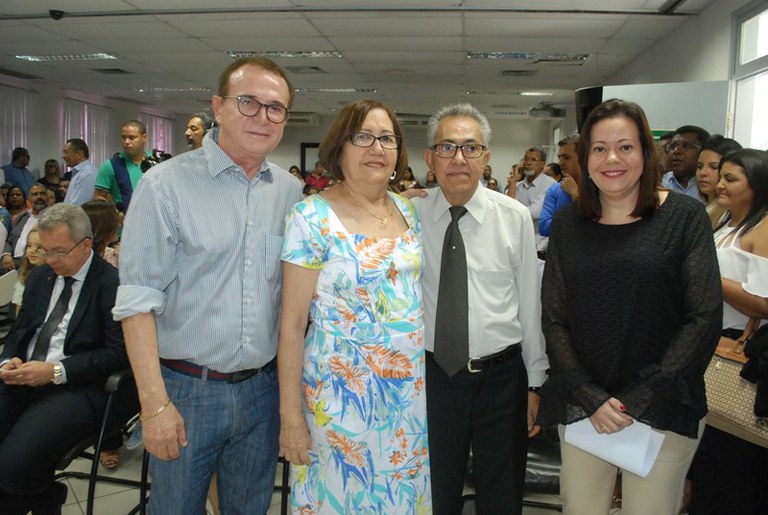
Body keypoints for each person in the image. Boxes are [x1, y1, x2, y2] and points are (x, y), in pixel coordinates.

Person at [113, 56, 303, 515]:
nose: (263, 116)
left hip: (261, 391)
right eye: (248, 102)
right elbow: (137, 302)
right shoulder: (165, 187)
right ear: (218, 107)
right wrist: (154, 404)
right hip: (186, 391)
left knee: (249, 508)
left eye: (275, 108)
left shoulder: (290, 193)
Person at [537, 99, 722, 515]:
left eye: (625, 146)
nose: (612, 159)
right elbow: (554, 317)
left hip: (664, 403)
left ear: (645, 152)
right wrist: (588, 394)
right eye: (599, 148)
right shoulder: (569, 224)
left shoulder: (685, 218)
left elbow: (704, 317)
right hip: (585, 405)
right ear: (586, 158)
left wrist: (639, 398)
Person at [279, 99, 431, 512]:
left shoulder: (406, 210)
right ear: (339, 148)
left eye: (387, 138)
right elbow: (292, 325)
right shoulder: (310, 217)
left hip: (405, 401)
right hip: (340, 399)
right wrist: (291, 418)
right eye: (362, 136)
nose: (376, 148)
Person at [412, 103, 548, 514]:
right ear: (430, 158)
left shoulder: (515, 217)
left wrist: (534, 381)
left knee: (501, 496)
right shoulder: (407, 215)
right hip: (432, 377)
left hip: (501, 379)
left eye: (470, 148)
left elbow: (529, 300)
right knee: (435, 494)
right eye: (447, 147)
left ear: (486, 158)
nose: (458, 159)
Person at [0, 203, 129, 515]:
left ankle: (45, 497)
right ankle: (43, 495)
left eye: (59, 251)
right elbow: (20, 332)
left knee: (12, 468)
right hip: (24, 378)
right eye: (46, 250)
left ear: (86, 245)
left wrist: (56, 371)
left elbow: (117, 354)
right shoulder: (41, 277)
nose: (50, 260)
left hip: (80, 387)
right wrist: (8, 362)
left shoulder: (112, 284)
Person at [687, 148, 768, 515]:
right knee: (706, 467)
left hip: (736, 352)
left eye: (731, 179)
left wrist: (708, 277)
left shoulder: (763, 227)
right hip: (709, 349)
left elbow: (762, 302)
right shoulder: (728, 223)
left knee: (734, 469)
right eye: (722, 176)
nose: (719, 184)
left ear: (758, 185)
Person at [506, 146, 557, 257]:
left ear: (543, 164)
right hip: (517, 245)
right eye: (526, 159)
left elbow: (532, 213)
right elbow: (506, 211)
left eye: (533, 160)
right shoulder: (518, 186)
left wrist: (512, 212)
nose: (528, 163)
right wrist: (513, 182)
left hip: (538, 248)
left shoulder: (550, 185)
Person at [93, 120, 151, 212]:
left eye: (132, 138)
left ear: (144, 137)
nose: (126, 142)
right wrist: (112, 212)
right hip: (124, 223)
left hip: (152, 221)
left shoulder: (156, 164)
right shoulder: (110, 165)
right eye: (123, 138)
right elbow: (98, 198)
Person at [540, 135, 584, 237]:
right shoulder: (554, 189)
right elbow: (544, 228)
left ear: (583, 157)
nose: (560, 162)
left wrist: (575, 194)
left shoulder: (598, 188)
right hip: (561, 251)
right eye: (559, 157)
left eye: (566, 157)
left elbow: (595, 226)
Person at [695, 135, 742, 228]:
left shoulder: (731, 215)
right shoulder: (700, 208)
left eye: (714, 167)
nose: (703, 173)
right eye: (699, 166)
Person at [3, 184, 49, 271]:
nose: (39, 197)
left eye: (42, 194)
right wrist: (6, 254)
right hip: (12, 260)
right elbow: (9, 240)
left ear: (48, 196)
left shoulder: (52, 217)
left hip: (35, 262)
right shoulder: (22, 217)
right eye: (35, 194)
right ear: (29, 199)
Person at [661, 125, 710, 201]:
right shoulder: (660, 184)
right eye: (673, 147)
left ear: (703, 151)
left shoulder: (711, 186)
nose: (676, 151)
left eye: (687, 146)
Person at [11, 226, 45, 315]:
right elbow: (19, 314)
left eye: (39, 247)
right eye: (29, 246)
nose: (32, 251)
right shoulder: (25, 275)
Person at [62, 138, 99, 206]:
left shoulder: (87, 174)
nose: (63, 156)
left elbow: (77, 207)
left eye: (65, 152)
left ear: (79, 154)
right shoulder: (81, 172)